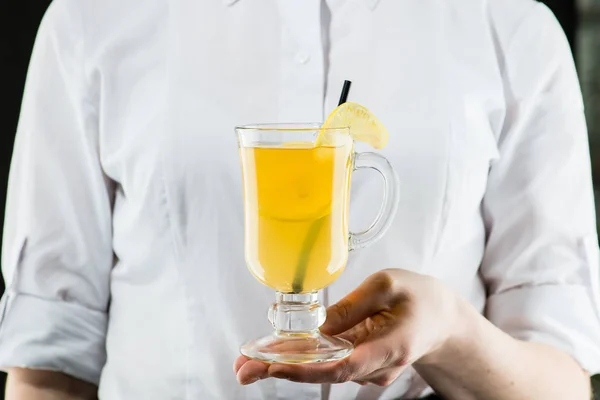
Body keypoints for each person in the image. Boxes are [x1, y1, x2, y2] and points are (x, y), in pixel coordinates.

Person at [1, 0, 599, 398]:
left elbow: (561, 378)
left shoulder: (511, 23)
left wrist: (450, 332)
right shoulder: (91, 18)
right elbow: (48, 364)